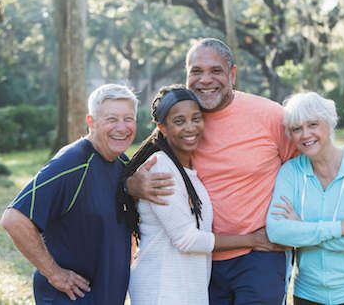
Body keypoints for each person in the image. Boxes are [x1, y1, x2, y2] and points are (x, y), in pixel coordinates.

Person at [125, 38, 297, 304]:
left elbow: (303, 167)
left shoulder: (271, 115)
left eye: (216, 71)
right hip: (201, 262)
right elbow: (139, 162)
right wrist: (130, 185)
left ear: (232, 74)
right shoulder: (183, 119)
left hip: (260, 252)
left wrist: (297, 219)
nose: (205, 80)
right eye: (196, 71)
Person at [0, 84, 138, 304]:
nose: (122, 128)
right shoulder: (71, 164)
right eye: (111, 119)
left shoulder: (123, 163)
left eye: (128, 118)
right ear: (91, 122)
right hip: (70, 299)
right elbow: (14, 220)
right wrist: (55, 274)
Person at [266, 92, 344, 305]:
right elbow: (276, 231)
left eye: (313, 124)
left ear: (329, 124)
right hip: (308, 294)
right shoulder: (290, 172)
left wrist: (302, 229)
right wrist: (340, 227)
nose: (305, 134)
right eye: (296, 129)